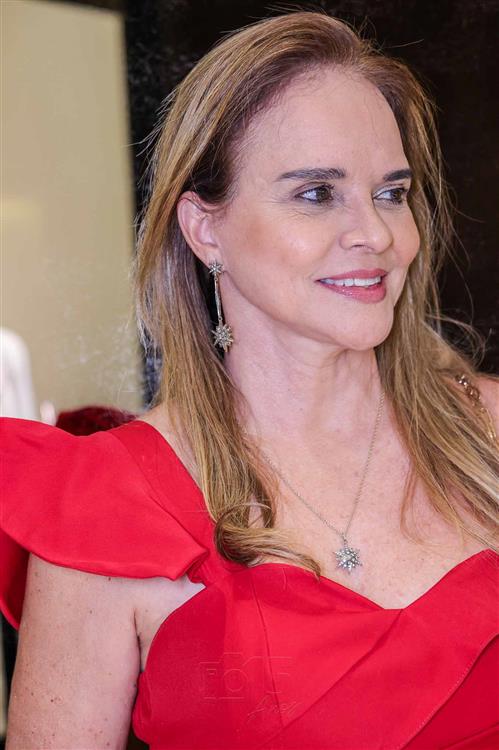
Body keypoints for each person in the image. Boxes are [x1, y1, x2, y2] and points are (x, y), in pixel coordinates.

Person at [1, 10, 498, 750]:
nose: (377, 234)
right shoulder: (111, 511)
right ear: (205, 229)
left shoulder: (488, 433)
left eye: (391, 193)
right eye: (316, 193)